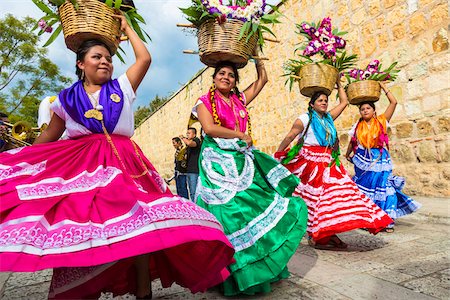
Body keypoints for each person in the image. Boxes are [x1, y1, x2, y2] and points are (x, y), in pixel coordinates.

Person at [0, 15, 234, 299]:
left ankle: (143, 289)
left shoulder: (121, 87)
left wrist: (128, 28)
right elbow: (50, 133)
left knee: (140, 224)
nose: (105, 62)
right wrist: (26, 161)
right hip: (83, 167)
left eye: (109, 57)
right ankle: (84, 285)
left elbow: (144, 59)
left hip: (126, 163)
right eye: (97, 57)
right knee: (82, 222)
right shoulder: (65, 99)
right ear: (80, 63)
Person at [193, 59, 308, 296]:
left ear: (236, 82)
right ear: (214, 78)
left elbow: (262, 80)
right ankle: (231, 277)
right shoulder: (204, 102)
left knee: (253, 209)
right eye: (221, 73)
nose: (226, 77)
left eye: (231, 75)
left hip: (242, 159)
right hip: (218, 165)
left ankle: (260, 269)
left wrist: (257, 57)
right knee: (229, 215)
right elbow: (210, 128)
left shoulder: (239, 100)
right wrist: (239, 134)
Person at [275, 79, 393, 250]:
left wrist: (337, 81)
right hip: (310, 163)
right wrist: (279, 153)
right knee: (317, 199)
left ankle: (325, 233)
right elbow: (290, 136)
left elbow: (344, 102)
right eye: (320, 101)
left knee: (338, 195)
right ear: (312, 104)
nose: (323, 103)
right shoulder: (305, 118)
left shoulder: (328, 118)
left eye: (325, 100)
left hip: (329, 162)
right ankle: (318, 235)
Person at [345, 82, 421, 232]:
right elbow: (353, 141)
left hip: (379, 159)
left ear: (374, 111)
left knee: (386, 187)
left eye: (368, 108)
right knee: (366, 190)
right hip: (363, 161)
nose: (365, 111)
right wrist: (348, 154)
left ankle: (387, 220)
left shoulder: (381, 121)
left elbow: (394, 102)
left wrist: (384, 87)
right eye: (362, 109)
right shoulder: (357, 126)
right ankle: (371, 219)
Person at [180, 127, 201, 200]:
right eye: (187, 133)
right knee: (191, 192)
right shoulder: (188, 145)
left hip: (194, 171)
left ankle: (197, 207)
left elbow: (189, 143)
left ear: (194, 134)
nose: (187, 134)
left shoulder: (196, 140)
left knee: (194, 192)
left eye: (189, 133)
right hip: (189, 170)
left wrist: (183, 138)